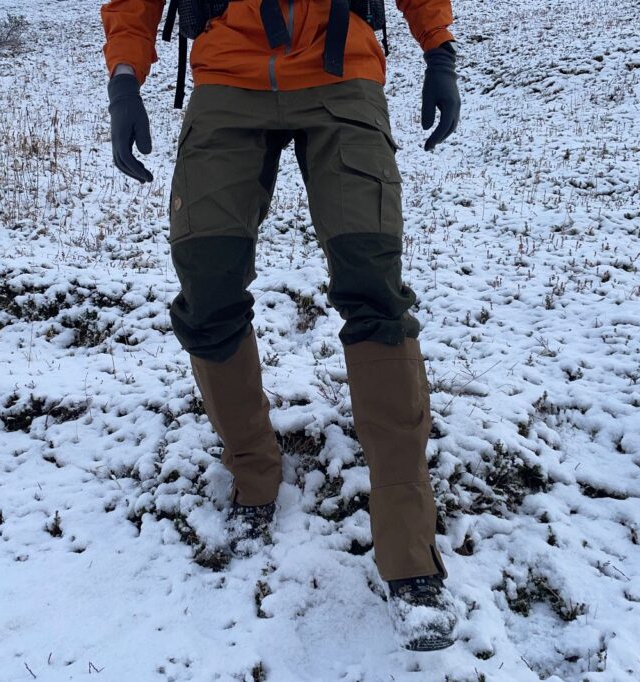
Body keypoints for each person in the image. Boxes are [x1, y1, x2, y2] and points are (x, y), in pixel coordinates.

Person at [101, 0, 461, 651]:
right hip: (226, 79)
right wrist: (124, 76)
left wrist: (440, 51)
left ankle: (411, 561)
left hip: (340, 75)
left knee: (373, 289)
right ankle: (254, 476)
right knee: (206, 287)